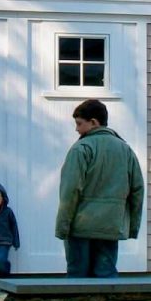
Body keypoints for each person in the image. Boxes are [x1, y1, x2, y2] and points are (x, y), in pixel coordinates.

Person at [55, 98, 144, 278]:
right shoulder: (125, 150)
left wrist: (62, 227)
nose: (76, 129)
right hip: (110, 226)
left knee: (77, 277)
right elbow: (137, 190)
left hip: (80, 226)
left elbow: (70, 191)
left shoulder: (81, 149)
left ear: (93, 122)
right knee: (106, 277)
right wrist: (132, 227)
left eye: (79, 123)